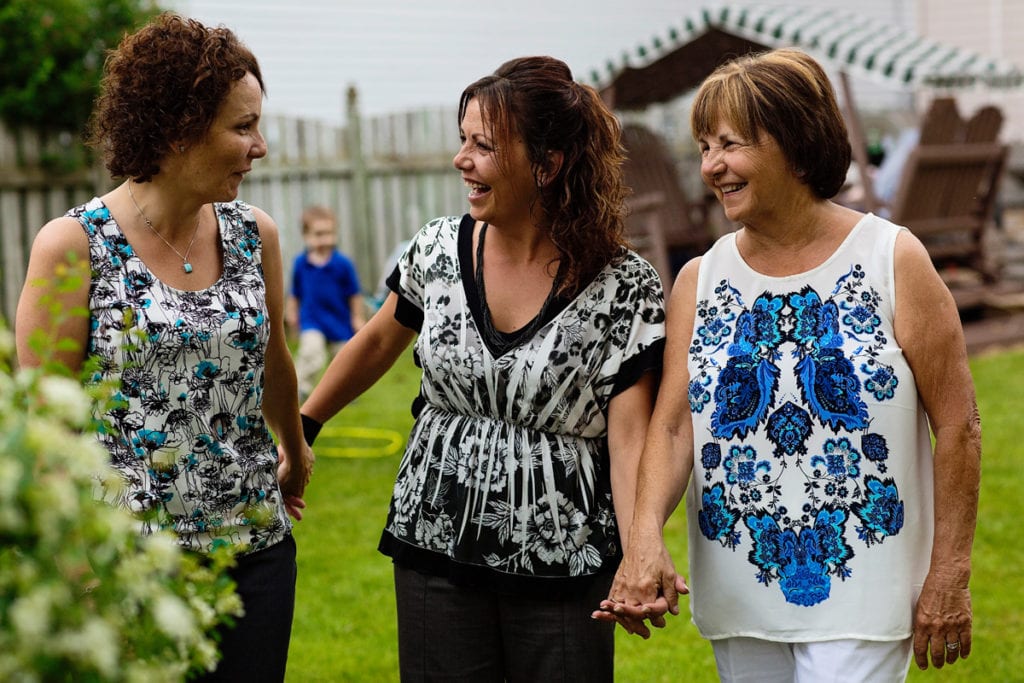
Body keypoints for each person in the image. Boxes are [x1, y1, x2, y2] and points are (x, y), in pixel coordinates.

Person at [594, 48, 981, 682]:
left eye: (729, 145)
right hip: (740, 592)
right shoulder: (699, 278)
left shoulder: (893, 259)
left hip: (867, 590)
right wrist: (642, 541)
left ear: (795, 142)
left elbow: (959, 425)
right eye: (703, 147)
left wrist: (949, 572)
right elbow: (671, 428)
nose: (711, 166)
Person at [300, 56, 665, 681]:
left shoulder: (622, 286)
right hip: (433, 537)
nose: (460, 159)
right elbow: (377, 341)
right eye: (461, 140)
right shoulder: (439, 249)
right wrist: (305, 425)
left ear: (546, 165)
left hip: (562, 559)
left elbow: (631, 434)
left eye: (483, 145)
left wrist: (639, 551)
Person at [14, 13, 314, 682]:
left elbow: (274, 361)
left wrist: (296, 448)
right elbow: (42, 422)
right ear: (179, 128)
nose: (259, 146)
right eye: (242, 127)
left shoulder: (253, 235)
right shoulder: (74, 246)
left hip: (255, 557)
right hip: (129, 567)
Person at [286, 205, 365, 398]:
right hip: (312, 319)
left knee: (344, 359)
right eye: (319, 234)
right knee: (311, 353)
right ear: (306, 237)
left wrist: (357, 317)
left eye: (329, 233)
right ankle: (300, 388)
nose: (325, 239)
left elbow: (354, 294)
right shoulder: (301, 264)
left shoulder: (343, 264)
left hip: (339, 320)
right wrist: (292, 314)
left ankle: (344, 392)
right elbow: (294, 293)